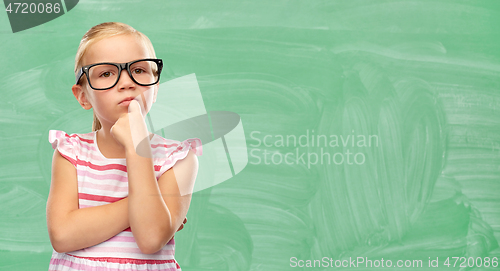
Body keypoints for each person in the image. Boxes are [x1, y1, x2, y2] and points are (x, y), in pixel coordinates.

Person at [46, 22, 202, 270]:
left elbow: (151, 238)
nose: (127, 82)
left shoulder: (179, 159)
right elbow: (63, 236)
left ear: (156, 87)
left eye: (139, 70)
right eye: (106, 73)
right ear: (83, 96)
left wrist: (136, 145)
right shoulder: (71, 153)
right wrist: (147, 203)